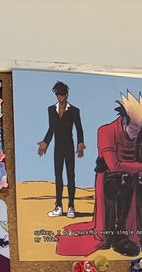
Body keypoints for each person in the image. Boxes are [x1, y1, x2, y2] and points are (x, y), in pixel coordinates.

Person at [57, 91, 142, 257]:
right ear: (124, 120)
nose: (136, 132)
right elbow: (114, 165)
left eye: (140, 129)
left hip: (133, 177)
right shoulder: (106, 132)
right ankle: (118, 237)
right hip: (110, 177)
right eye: (134, 128)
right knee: (118, 188)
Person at [37, 81, 86, 219]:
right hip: (57, 147)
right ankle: (58, 206)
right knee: (58, 176)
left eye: (62, 94)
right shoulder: (51, 110)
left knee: (71, 176)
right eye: (58, 94)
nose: (59, 96)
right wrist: (45, 143)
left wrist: (80, 144)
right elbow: (51, 128)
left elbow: (79, 128)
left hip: (69, 146)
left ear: (66, 94)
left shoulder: (74, 110)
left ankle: (71, 206)